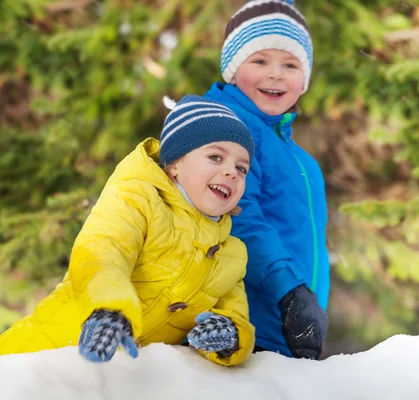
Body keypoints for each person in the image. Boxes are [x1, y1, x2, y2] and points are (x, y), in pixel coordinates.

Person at [0, 96, 256, 367]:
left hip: (121, 380)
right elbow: (102, 252)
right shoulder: (138, 200)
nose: (231, 172)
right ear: (174, 165)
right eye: (215, 157)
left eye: (242, 168)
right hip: (46, 351)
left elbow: (235, 314)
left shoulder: (232, 255)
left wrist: (231, 338)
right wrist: (111, 309)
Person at [203, 0, 329, 359]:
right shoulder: (229, 127)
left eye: (290, 64)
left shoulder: (299, 157)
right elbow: (240, 215)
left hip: (294, 327)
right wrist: (289, 292)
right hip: (246, 323)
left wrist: (306, 307)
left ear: (304, 80)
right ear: (232, 69)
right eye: (259, 61)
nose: (275, 74)